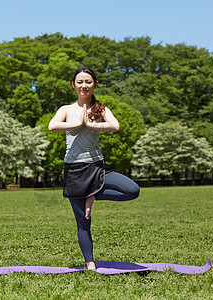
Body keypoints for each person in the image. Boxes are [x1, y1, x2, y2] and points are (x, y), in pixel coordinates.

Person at [48, 67, 140, 271]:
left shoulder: (100, 108)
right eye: (79, 82)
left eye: (88, 81)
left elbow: (114, 126)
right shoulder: (66, 109)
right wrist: (77, 123)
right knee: (83, 222)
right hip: (74, 170)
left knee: (132, 190)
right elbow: (52, 126)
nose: (84, 85)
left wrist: (91, 124)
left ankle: (94, 195)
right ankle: (90, 263)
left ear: (95, 84)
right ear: (73, 85)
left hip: (97, 166)